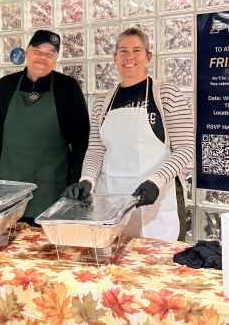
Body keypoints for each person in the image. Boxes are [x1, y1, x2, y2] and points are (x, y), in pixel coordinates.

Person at [65, 27, 194, 240]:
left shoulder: (166, 94)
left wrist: (156, 181)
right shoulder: (102, 102)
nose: (129, 57)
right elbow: (96, 150)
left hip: (157, 197)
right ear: (115, 58)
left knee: (156, 265)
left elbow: (185, 148)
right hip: (111, 199)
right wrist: (87, 179)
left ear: (148, 57)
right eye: (123, 51)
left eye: (137, 50)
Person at [0, 30, 90, 224]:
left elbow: (81, 142)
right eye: (38, 50)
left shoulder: (68, 88)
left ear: (55, 59)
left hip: (52, 192)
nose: (43, 57)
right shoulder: (6, 86)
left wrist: (77, 184)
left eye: (50, 53)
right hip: (10, 193)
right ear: (27, 52)